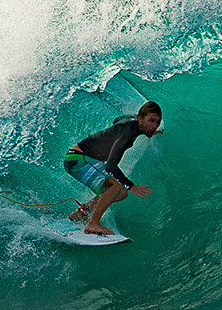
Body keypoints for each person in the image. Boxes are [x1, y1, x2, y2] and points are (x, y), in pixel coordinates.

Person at [64, 101, 163, 236]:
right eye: (151, 121)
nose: (154, 125)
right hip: (78, 159)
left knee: (121, 193)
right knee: (117, 186)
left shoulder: (132, 121)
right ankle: (93, 223)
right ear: (140, 118)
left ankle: (81, 213)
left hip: (84, 159)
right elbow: (111, 166)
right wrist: (131, 186)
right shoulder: (127, 134)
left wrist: (149, 131)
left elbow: (116, 120)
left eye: (157, 122)